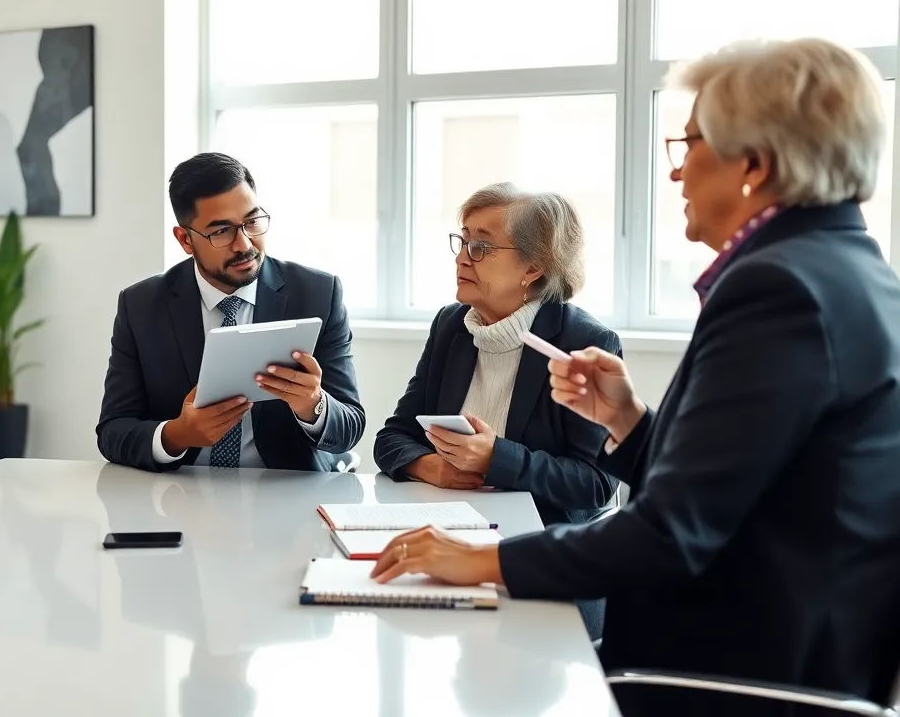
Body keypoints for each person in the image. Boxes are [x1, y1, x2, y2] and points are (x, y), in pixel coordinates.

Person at [369, 38, 900, 715]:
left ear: (755, 165)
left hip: (732, 677)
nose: (676, 175)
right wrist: (629, 423)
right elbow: (724, 492)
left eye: (689, 145)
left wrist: (478, 563)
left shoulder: (780, 289)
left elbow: (671, 532)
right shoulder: (847, 268)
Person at [373, 183, 620, 639]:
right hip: (451, 539)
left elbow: (596, 484)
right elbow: (390, 439)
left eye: (481, 246)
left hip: (542, 560)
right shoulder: (452, 326)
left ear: (533, 267)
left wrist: (497, 458)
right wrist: (432, 467)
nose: (462, 257)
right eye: (462, 239)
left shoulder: (582, 343)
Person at [96, 152, 365, 472]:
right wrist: (177, 435)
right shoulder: (141, 305)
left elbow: (350, 427)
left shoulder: (318, 294)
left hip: (287, 497)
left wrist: (313, 404)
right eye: (221, 231)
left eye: (251, 221)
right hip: (179, 495)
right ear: (185, 239)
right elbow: (112, 431)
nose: (244, 244)